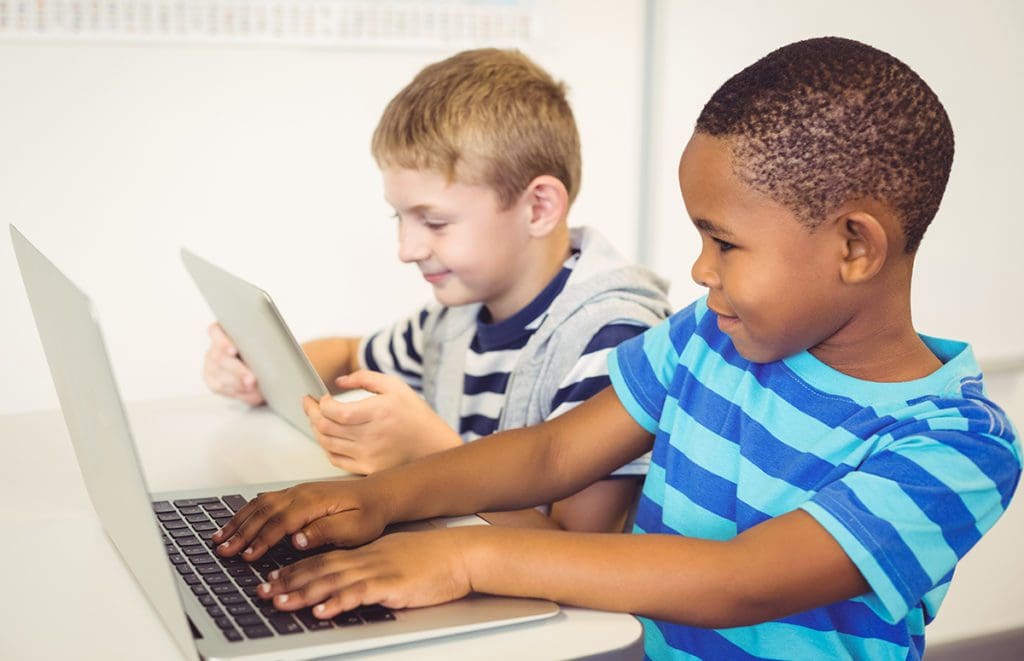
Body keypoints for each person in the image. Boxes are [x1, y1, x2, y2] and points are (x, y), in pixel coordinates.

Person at [211, 37, 1022, 659]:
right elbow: (554, 452)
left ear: (854, 245)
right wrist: (383, 500)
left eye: (725, 242)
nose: (700, 269)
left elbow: (734, 582)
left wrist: (461, 556)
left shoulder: (957, 446)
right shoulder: (708, 339)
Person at [202, 48, 671, 533]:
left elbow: (578, 550)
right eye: (399, 217)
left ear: (537, 208)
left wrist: (429, 456)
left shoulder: (612, 339)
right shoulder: (454, 318)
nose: (406, 249)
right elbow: (345, 355)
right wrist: (261, 372)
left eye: (435, 221)